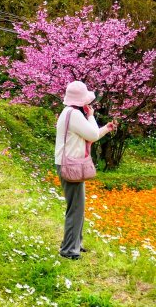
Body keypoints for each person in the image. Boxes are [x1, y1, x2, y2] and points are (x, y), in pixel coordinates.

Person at [55, 81, 116, 259]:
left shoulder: (69, 112)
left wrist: (105, 128)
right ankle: (68, 250)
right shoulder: (74, 114)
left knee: (77, 207)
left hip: (68, 164)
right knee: (75, 208)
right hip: (70, 166)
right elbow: (92, 135)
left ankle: (75, 244)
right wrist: (91, 115)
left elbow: (92, 133)